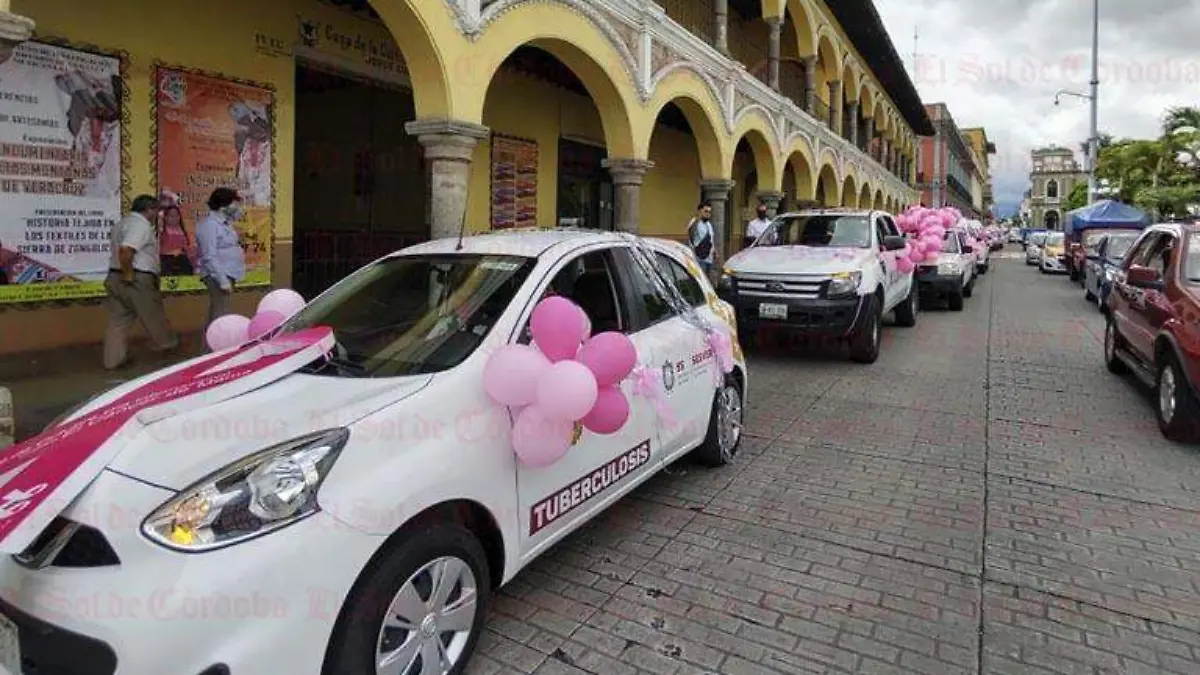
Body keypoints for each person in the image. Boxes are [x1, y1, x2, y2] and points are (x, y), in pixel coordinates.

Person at [103, 195, 178, 370]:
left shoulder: (122, 224)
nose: (157, 215)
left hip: (114, 276)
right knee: (154, 317)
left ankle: (112, 360)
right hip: (136, 277)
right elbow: (126, 250)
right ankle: (170, 357)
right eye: (156, 211)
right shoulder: (140, 225)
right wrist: (128, 275)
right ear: (149, 210)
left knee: (118, 322)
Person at [196, 187, 248, 328]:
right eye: (234, 203)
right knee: (220, 314)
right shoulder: (209, 225)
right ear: (223, 205)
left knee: (218, 311)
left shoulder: (225, 221)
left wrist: (240, 200)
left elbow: (239, 214)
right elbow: (209, 255)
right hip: (218, 274)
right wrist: (222, 280)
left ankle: (209, 347)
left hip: (228, 272)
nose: (237, 207)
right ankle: (211, 347)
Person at [158, 205, 194, 276]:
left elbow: (187, 249)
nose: (174, 218)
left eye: (177, 215)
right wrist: (173, 252)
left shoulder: (183, 232)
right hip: (168, 265)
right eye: (171, 216)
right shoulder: (161, 233)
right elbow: (158, 250)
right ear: (165, 217)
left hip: (183, 265)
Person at [687, 201, 715, 277]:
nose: (708, 214)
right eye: (705, 211)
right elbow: (691, 238)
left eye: (709, 212)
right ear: (700, 211)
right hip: (698, 258)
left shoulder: (709, 224)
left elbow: (712, 240)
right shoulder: (694, 222)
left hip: (709, 258)